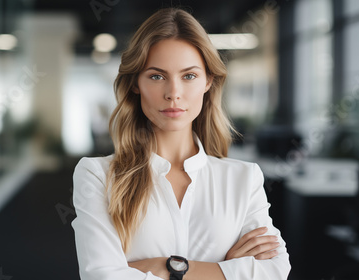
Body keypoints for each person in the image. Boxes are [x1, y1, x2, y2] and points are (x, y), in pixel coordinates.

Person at [71, 7, 291, 280]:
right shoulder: (98, 176)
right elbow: (102, 277)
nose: (173, 93)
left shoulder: (244, 179)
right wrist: (226, 270)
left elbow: (274, 272)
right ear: (136, 83)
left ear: (208, 81)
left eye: (189, 76)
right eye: (156, 76)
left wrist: (164, 269)